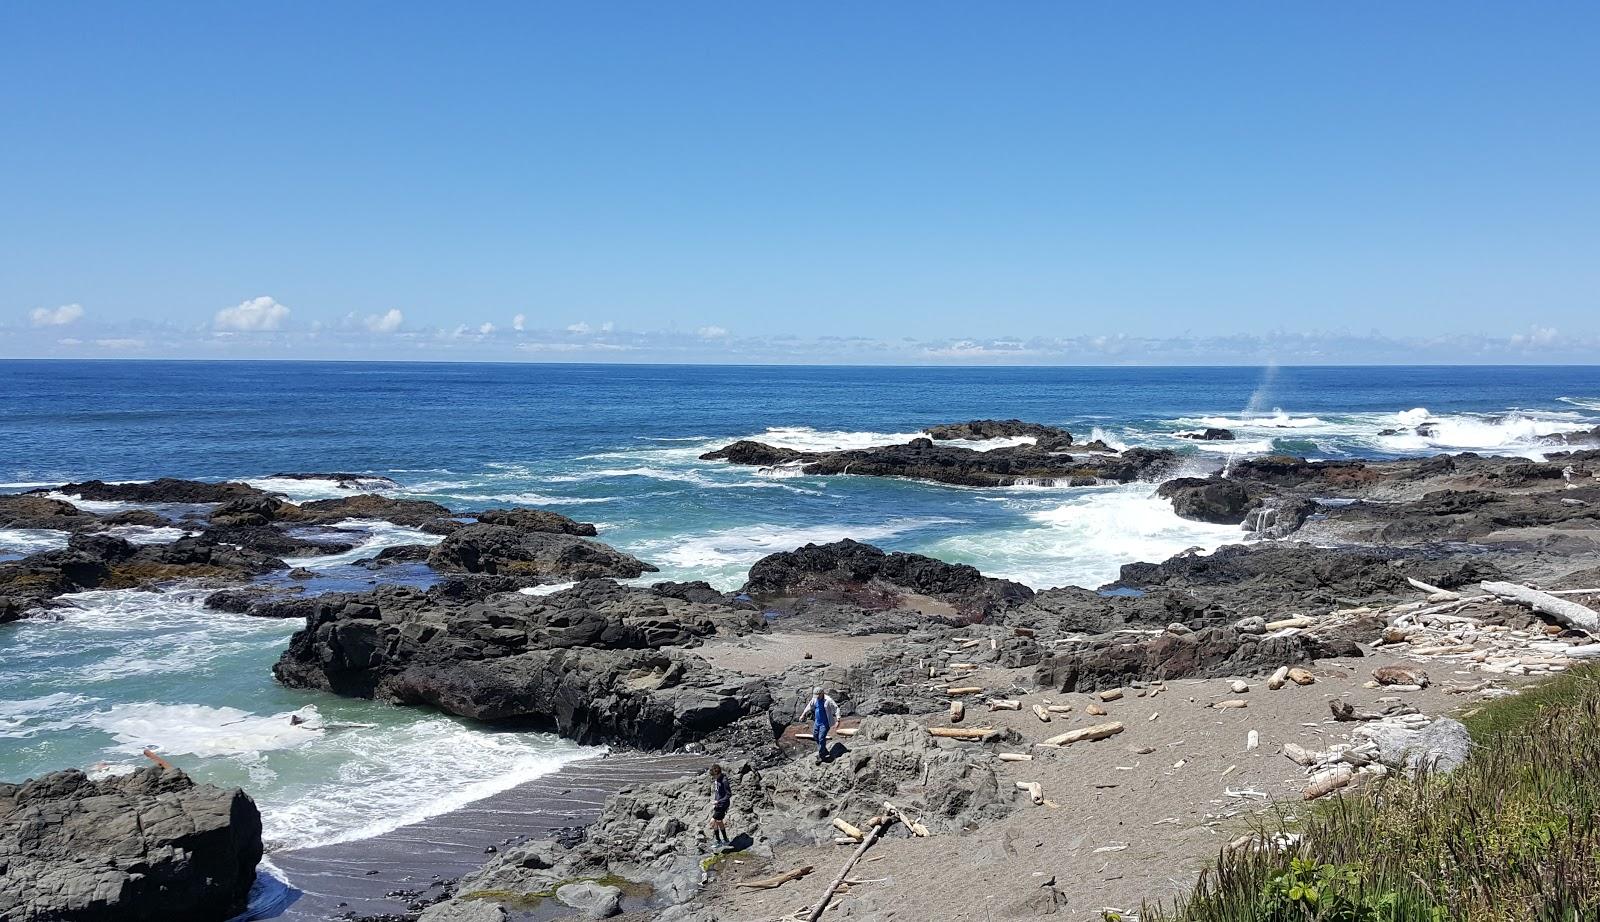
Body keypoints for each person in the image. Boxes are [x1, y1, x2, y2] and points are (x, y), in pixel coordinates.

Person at [798, 686, 840, 763]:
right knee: (815, 736)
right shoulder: (815, 699)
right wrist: (803, 714)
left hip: (825, 723)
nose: (817, 697)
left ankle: (821, 756)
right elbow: (809, 706)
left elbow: (836, 708)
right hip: (817, 722)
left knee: (821, 738)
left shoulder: (828, 700)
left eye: (818, 696)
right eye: (816, 696)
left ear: (822, 693)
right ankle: (824, 750)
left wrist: (838, 719)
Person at [708, 764, 733, 847]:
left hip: (723, 805)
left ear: (717, 773)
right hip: (718, 804)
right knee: (719, 821)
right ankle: (725, 840)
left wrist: (718, 801)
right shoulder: (717, 779)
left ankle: (718, 841)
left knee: (712, 822)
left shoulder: (724, 781)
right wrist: (716, 801)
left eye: (714, 776)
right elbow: (717, 792)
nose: (713, 777)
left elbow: (729, 794)